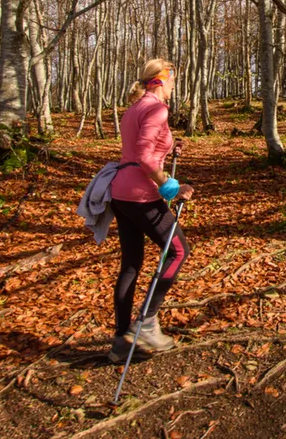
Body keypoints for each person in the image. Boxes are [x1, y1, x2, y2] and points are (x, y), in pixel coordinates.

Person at [107, 59, 193, 363]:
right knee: (179, 251)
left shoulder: (134, 108)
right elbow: (144, 157)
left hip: (120, 193)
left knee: (131, 264)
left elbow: (141, 147)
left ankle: (120, 341)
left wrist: (169, 146)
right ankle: (147, 320)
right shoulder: (157, 109)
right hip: (141, 195)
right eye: (172, 81)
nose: (174, 87)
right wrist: (171, 187)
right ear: (160, 81)